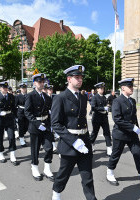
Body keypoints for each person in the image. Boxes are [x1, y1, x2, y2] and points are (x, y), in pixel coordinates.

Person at [51, 65, 97, 200]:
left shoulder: (82, 97)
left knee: (87, 176)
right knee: (63, 174)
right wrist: (74, 141)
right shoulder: (60, 98)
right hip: (69, 144)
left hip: (84, 142)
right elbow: (56, 124)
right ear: (69, 79)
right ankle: (56, 193)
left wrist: (87, 141)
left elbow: (82, 120)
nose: (80, 80)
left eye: (81, 77)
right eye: (77, 77)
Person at [106, 78, 140, 188]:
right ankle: (110, 172)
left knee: (138, 154)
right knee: (116, 155)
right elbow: (117, 118)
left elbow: (134, 117)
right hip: (120, 134)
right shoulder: (117, 101)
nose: (132, 88)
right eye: (130, 87)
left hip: (132, 135)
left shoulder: (132, 101)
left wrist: (136, 126)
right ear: (123, 88)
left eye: (132, 86)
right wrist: (132, 127)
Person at [24, 73, 54, 182]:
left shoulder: (46, 97)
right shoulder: (30, 96)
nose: (42, 84)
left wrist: (50, 125)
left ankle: (47, 168)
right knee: (35, 149)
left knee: (49, 147)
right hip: (35, 126)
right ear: (34, 83)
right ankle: (35, 167)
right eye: (39, 82)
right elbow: (27, 112)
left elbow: (50, 112)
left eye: (43, 82)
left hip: (45, 125)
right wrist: (37, 124)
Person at [0, 81, 18, 165]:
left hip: (9, 118)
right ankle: (0, 153)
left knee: (11, 137)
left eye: (6, 87)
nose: (5, 89)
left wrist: (16, 117)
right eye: (3, 87)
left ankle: (12, 153)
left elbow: (14, 107)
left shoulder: (11, 96)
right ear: (0, 88)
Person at [90, 82, 112, 156]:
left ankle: (109, 148)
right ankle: (90, 144)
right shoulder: (94, 97)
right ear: (97, 89)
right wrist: (103, 108)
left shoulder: (104, 97)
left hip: (104, 117)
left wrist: (108, 109)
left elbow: (106, 105)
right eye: (101, 88)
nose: (102, 90)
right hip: (97, 117)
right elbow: (93, 107)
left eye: (103, 88)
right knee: (95, 133)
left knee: (107, 133)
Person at [15, 83, 29, 147]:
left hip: (27, 113)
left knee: (26, 126)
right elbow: (15, 105)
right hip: (20, 113)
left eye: (25, 88)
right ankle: (21, 139)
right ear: (20, 89)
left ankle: (22, 134)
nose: (24, 89)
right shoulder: (18, 96)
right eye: (22, 88)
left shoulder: (28, 95)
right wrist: (15, 114)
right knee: (21, 126)